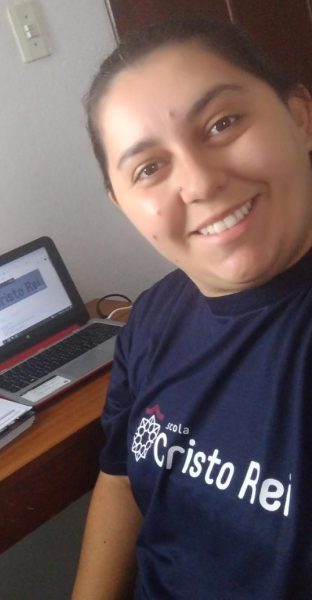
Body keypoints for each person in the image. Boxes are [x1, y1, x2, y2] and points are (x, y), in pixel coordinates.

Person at [72, 15, 312, 600]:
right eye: (149, 169)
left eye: (222, 123)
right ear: (122, 204)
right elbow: (121, 478)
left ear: (300, 117)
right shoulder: (152, 318)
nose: (200, 183)